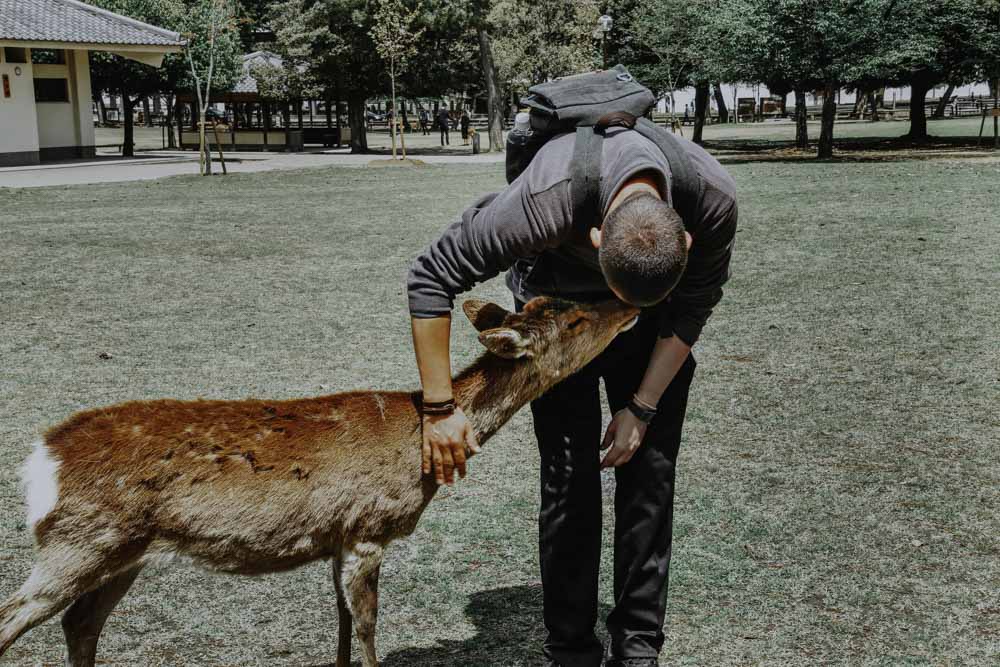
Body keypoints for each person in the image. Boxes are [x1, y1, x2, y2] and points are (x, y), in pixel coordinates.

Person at [407, 124, 738, 666]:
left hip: (656, 334)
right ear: (596, 238)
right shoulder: (544, 198)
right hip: (559, 329)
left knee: (650, 477)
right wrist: (439, 408)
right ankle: (571, 650)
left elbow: (693, 308)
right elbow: (430, 277)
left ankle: (637, 649)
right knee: (568, 480)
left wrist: (643, 406)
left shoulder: (711, 197)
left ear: (686, 241)